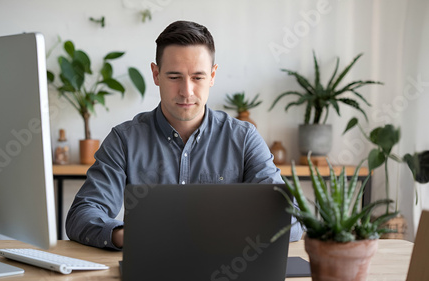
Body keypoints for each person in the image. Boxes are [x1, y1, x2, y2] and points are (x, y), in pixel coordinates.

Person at [66, 20, 303, 250]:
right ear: (156, 74)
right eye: (174, 77)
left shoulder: (244, 138)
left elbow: (291, 221)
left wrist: (231, 232)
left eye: (197, 77)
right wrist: (126, 235)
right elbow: (82, 214)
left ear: (212, 75)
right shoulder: (124, 139)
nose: (186, 91)